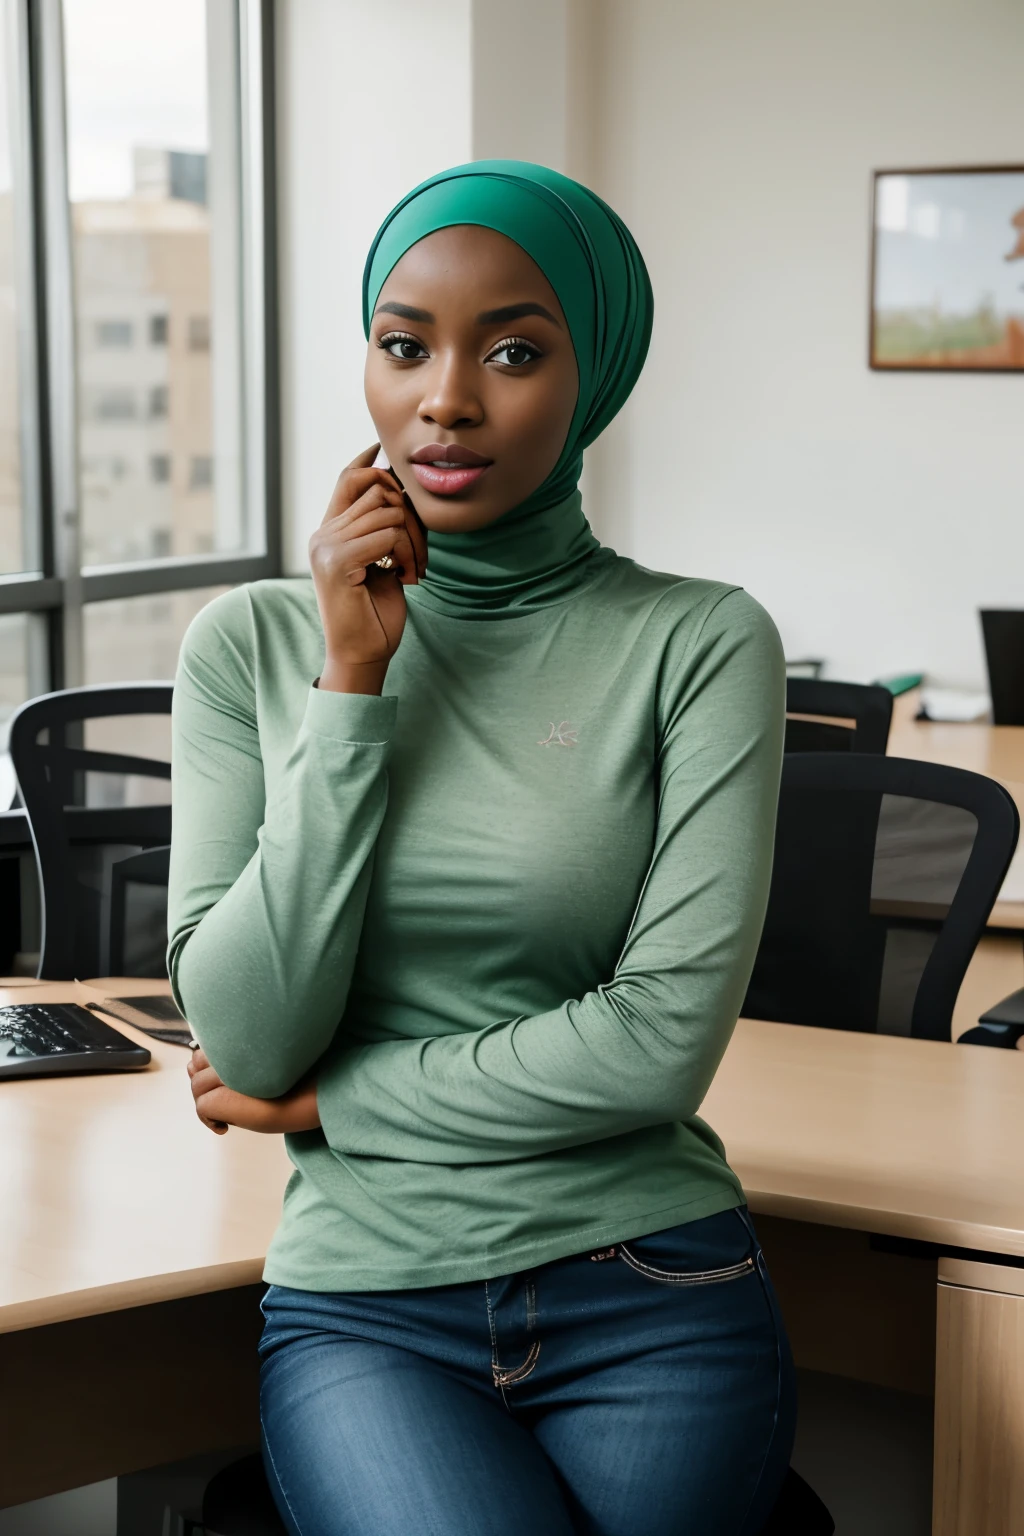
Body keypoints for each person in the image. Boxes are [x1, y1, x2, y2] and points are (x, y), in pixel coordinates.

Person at [171, 160, 794, 1536]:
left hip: (652, 1288)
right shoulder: (251, 648)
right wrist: (350, 685)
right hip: (367, 1309)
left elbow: (656, 1043)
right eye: (404, 346)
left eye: (514, 350)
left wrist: (335, 1107)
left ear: (597, 375)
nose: (445, 399)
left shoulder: (700, 642)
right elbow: (251, 1039)